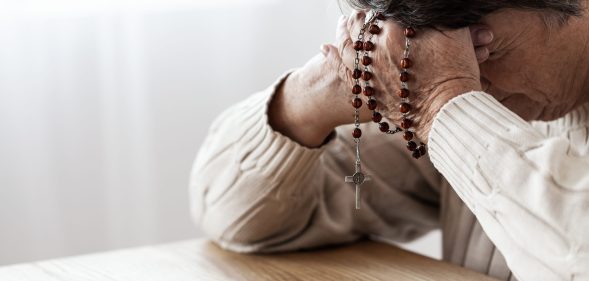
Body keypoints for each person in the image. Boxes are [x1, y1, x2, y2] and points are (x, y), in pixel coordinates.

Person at [189, 1, 589, 280]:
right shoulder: (473, 96)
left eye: (484, 49)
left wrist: (443, 102)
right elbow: (233, 216)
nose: (473, 85)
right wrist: (322, 89)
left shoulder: (454, 98)